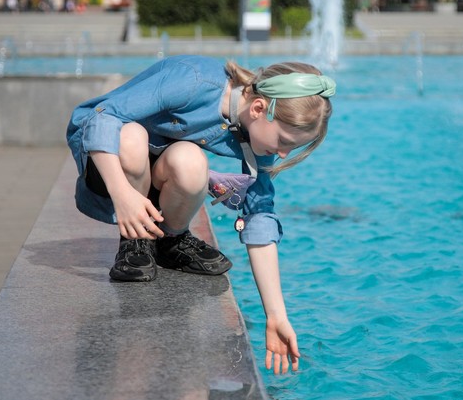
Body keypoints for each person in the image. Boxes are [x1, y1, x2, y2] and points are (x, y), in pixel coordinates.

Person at [66, 55, 335, 374]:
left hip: (154, 174)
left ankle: (170, 240)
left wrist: (276, 316)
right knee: (131, 136)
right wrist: (122, 194)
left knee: (192, 161)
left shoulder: (252, 136)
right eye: (284, 142)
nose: (282, 154)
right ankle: (135, 242)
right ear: (259, 108)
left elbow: (260, 217)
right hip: (108, 160)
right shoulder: (191, 82)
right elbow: (101, 117)